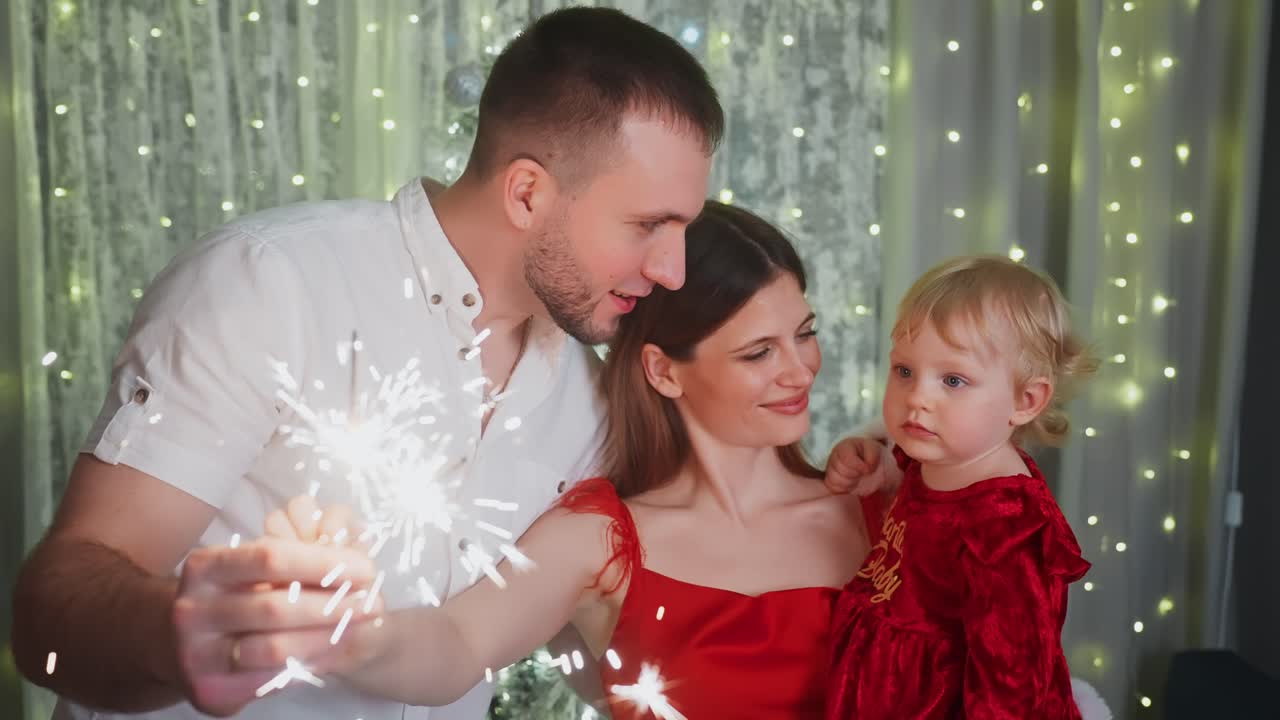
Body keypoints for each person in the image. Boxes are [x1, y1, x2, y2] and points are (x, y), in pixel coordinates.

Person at [12, 7, 721, 719]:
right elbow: (51, 613)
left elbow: (581, 645)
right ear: (528, 192)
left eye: (683, 228)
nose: (673, 271)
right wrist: (181, 635)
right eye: (647, 225)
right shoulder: (272, 284)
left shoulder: (593, 401)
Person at [218, 201, 885, 719]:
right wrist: (355, 634)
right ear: (664, 371)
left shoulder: (877, 508)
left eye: (805, 334)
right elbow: (457, 645)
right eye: (759, 353)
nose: (801, 371)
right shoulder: (599, 538)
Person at [825, 255, 1098, 719]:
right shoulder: (934, 455)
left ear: (1025, 400)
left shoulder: (1005, 524)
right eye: (905, 371)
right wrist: (876, 469)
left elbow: (1013, 683)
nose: (917, 398)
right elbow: (911, 506)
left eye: (953, 380)